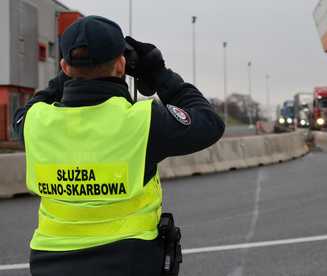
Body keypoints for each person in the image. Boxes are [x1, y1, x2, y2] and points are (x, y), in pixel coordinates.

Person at [13, 15, 225, 276]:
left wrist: (65, 78)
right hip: (130, 262)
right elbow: (209, 123)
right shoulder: (143, 121)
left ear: (64, 67)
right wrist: (159, 74)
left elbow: (30, 108)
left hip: (50, 264)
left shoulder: (35, 122)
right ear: (121, 65)